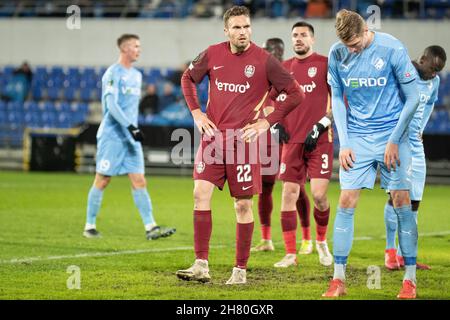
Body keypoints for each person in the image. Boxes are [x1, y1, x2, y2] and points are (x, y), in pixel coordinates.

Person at [176, 5, 304, 285]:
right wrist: (196, 112)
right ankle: (201, 264)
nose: (243, 32)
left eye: (246, 27)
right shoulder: (212, 53)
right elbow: (187, 78)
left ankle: (240, 270)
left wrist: (266, 123)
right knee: (199, 193)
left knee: (243, 206)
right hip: (212, 138)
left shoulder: (265, 60)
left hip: (244, 143)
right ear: (226, 31)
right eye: (236, 27)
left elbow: (295, 93)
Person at [323, 10, 420, 299]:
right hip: (358, 139)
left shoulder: (392, 48)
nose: (351, 50)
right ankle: (338, 279)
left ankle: (410, 279)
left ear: (366, 31)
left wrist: (393, 139)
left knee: (402, 201)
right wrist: (345, 141)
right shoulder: (337, 53)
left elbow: (413, 97)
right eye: (347, 45)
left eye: (355, 44)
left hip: (394, 134)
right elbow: (338, 100)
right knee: (345, 200)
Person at [83, 34, 176, 241]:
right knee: (103, 179)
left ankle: (151, 227)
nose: (139, 50)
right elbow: (112, 106)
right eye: (136, 46)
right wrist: (130, 127)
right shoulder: (113, 73)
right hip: (113, 136)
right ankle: (89, 225)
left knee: (139, 180)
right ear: (124, 49)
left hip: (130, 137)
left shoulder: (136, 75)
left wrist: (132, 129)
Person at [272, 21, 333, 268]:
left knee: (319, 196)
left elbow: (339, 102)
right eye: (295, 35)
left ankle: (321, 242)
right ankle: (290, 254)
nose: (298, 39)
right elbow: (270, 100)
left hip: (319, 140)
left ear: (313, 39)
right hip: (292, 141)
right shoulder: (283, 68)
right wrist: (275, 123)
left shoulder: (326, 64)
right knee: (288, 194)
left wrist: (321, 125)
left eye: (303, 35)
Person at [384, 45, 446, 271]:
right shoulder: (404, 71)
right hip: (397, 144)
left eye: (439, 70)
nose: (434, 73)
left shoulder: (435, 82)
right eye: (432, 68)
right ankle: (389, 252)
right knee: (396, 198)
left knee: (415, 203)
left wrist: (421, 126)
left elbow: (429, 103)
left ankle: (404, 255)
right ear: (422, 59)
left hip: (416, 146)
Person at [251, 37, 290, 252]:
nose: (270, 53)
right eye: (267, 49)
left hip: (288, 134)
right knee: (265, 187)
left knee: (293, 186)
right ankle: (266, 239)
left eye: (273, 50)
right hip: (267, 134)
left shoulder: (289, 72)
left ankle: (305, 238)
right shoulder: (262, 73)